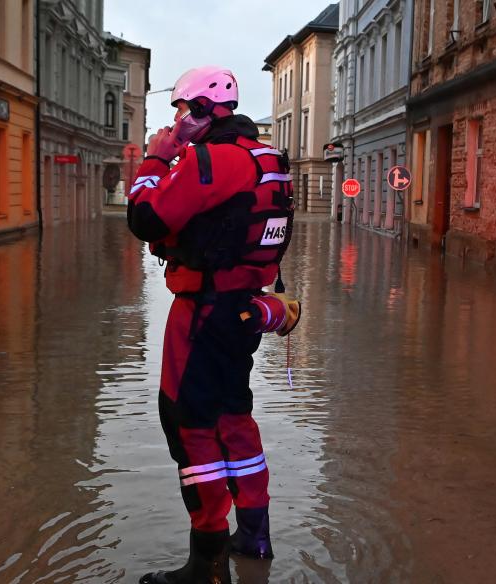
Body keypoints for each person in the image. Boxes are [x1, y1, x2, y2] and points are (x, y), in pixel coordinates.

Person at [127, 65, 301, 584]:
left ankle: (206, 562)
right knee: (233, 419)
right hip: (243, 308)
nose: (177, 119)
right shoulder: (265, 158)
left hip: (202, 312)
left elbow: (144, 218)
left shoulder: (212, 160)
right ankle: (254, 536)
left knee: (191, 424)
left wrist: (158, 155)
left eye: (181, 109)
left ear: (202, 110)